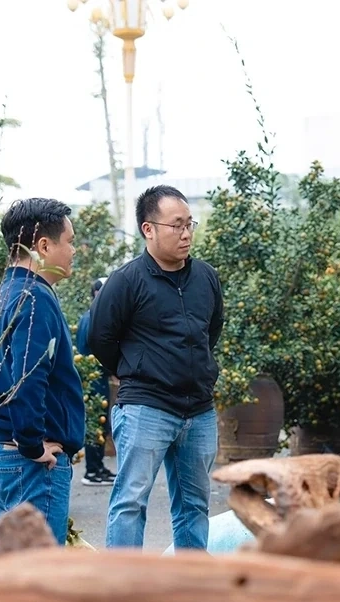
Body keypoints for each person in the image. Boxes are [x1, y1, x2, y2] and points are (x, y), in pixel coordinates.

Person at [87, 185, 223, 551]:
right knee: (131, 503)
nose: (186, 233)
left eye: (189, 224)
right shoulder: (127, 280)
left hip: (199, 411)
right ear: (149, 229)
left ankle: (188, 587)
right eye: (176, 225)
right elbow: (99, 337)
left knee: (194, 505)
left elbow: (211, 331)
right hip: (146, 408)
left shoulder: (206, 277)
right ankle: (127, 594)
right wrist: (134, 368)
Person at [0, 198, 85, 546]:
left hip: (5, 453)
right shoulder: (35, 297)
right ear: (43, 246)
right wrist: (32, 445)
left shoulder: (5, 294)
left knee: (14, 572)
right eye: (69, 241)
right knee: (37, 577)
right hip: (31, 465)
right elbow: (27, 377)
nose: (73, 250)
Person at [75, 277, 117, 486]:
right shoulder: (92, 318)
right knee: (95, 424)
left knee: (100, 423)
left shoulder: (95, 316)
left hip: (98, 378)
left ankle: (98, 467)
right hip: (93, 380)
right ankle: (92, 470)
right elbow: (91, 352)